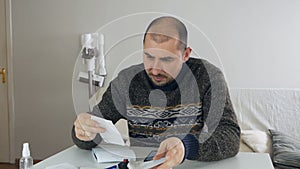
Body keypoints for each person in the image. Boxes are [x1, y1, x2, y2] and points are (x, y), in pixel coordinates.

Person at [72, 16, 240, 169]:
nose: (155, 69)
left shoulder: (208, 77)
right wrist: (83, 131)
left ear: (185, 54)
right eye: (149, 56)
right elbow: (93, 129)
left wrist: (185, 146)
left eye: (167, 59)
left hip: (189, 165)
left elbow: (230, 135)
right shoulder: (126, 81)